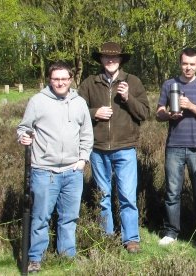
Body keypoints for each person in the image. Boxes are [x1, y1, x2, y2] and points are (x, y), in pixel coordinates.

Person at [17, 61, 93, 273]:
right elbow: (24, 128)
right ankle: (35, 258)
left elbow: (87, 134)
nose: (60, 83)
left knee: (69, 217)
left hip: (72, 171)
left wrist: (82, 160)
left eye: (64, 79)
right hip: (44, 171)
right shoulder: (38, 101)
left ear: (71, 80)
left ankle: (67, 256)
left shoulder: (80, 103)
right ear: (50, 80)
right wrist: (23, 136)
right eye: (55, 79)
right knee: (41, 217)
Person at [78, 41, 150, 253]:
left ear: (120, 60)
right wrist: (94, 113)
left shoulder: (133, 82)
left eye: (115, 57)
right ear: (100, 59)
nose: (110, 60)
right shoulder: (89, 83)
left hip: (125, 148)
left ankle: (131, 239)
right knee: (103, 196)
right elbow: (75, 111)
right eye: (106, 57)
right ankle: (106, 236)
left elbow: (145, 113)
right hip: (98, 149)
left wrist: (128, 98)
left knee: (128, 195)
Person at [155, 48, 196, 247]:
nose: (188, 67)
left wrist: (190, 106)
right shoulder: (169, 84)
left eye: (192, 64)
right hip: (174, 146)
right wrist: (169, 115)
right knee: (172, 192)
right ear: (180, 64)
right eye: (185, 63)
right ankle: (171, 232)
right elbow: (158, 113)